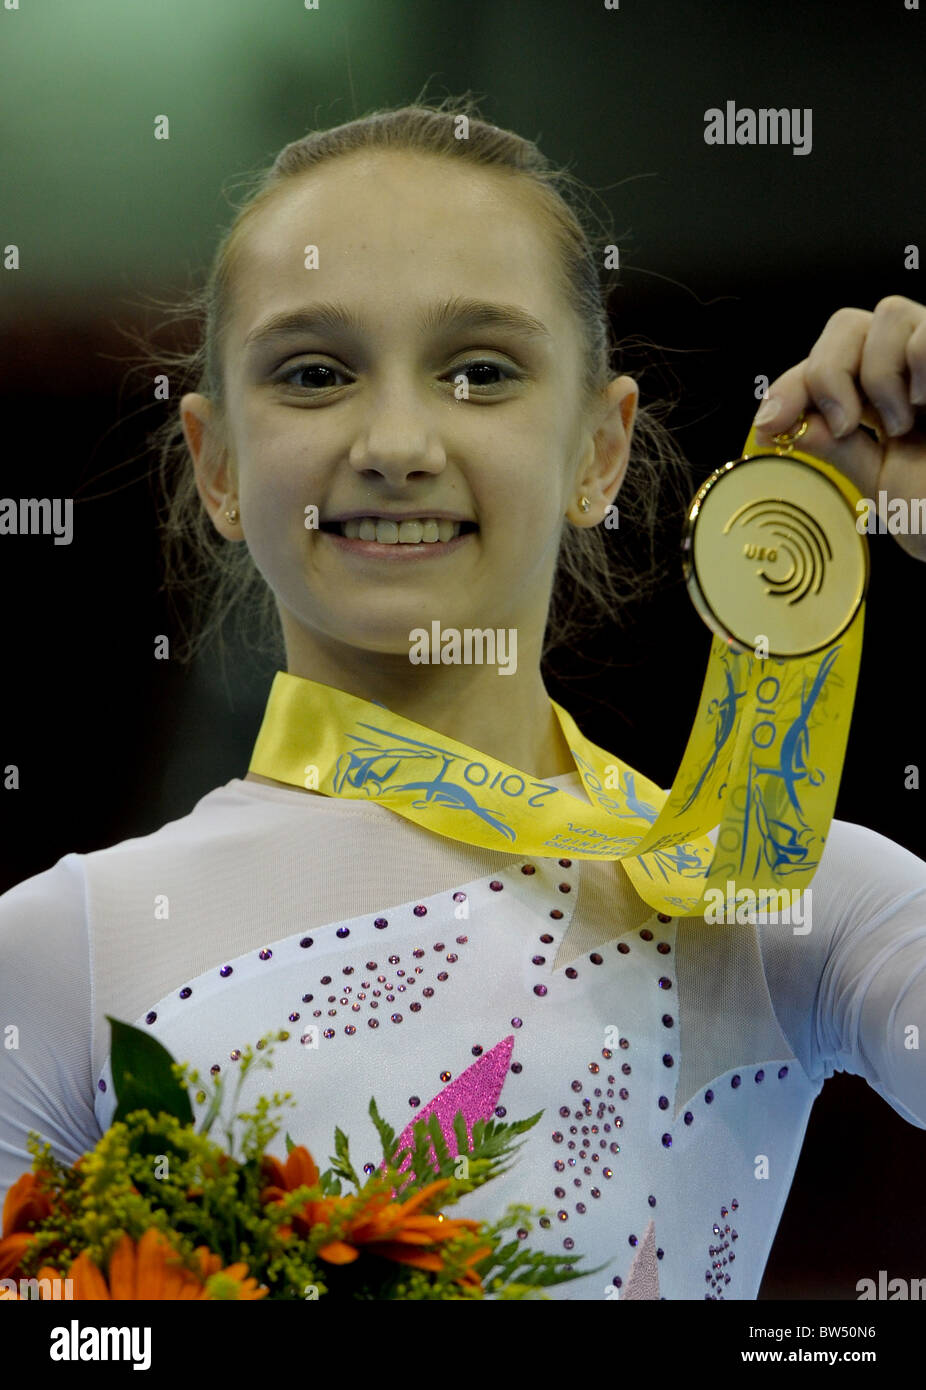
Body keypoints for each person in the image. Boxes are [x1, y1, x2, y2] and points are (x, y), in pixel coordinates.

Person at [2, 98, 925, 1301]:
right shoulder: (66, 943)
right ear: (217, 464)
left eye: (481, 371)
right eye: (315, 372)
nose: (395, 441)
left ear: (599, 449)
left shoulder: (772, 892)